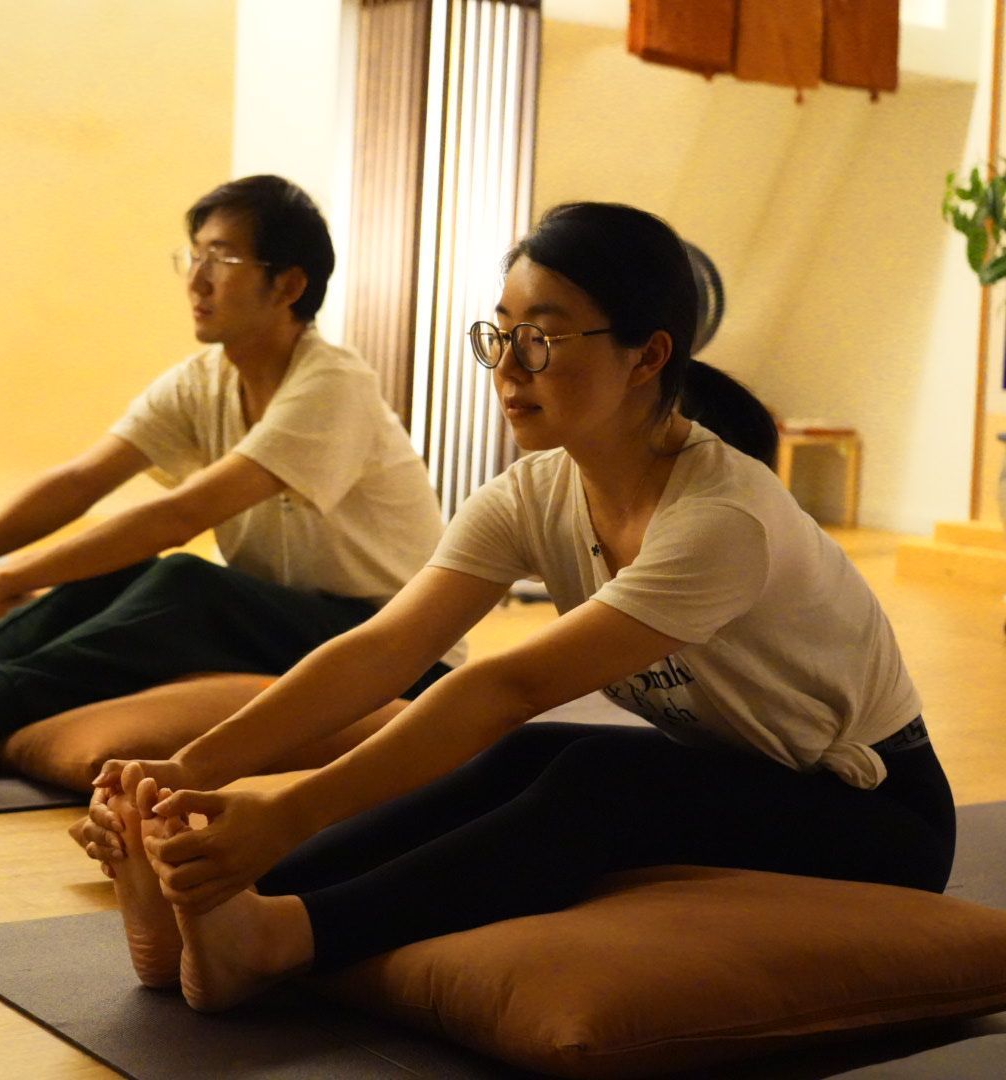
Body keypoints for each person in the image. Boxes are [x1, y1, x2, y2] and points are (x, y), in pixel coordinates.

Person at [82, 201, 956, 1010]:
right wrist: (192, 772)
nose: (507, 368)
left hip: (879, 819)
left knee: (595, 780)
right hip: (744, 773)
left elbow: (503, 685)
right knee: (522, 757)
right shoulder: (533, 492)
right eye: (497, 335)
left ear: (647, 356)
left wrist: (290, 808)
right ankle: (233, 895)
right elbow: (385, 647)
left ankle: (280, 938)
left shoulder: (721, 519)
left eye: (541, 340)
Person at [0, 175, 460, 772]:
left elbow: (181, 515)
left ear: (287, 285)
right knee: (116, 568)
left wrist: (2, 582)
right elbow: (83, 480)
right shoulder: (205, 380)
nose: (197, 279)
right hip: (286, 621)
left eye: (222, 258)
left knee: (183, 578)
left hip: (394, 650)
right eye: (193, 255)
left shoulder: (331, 386)